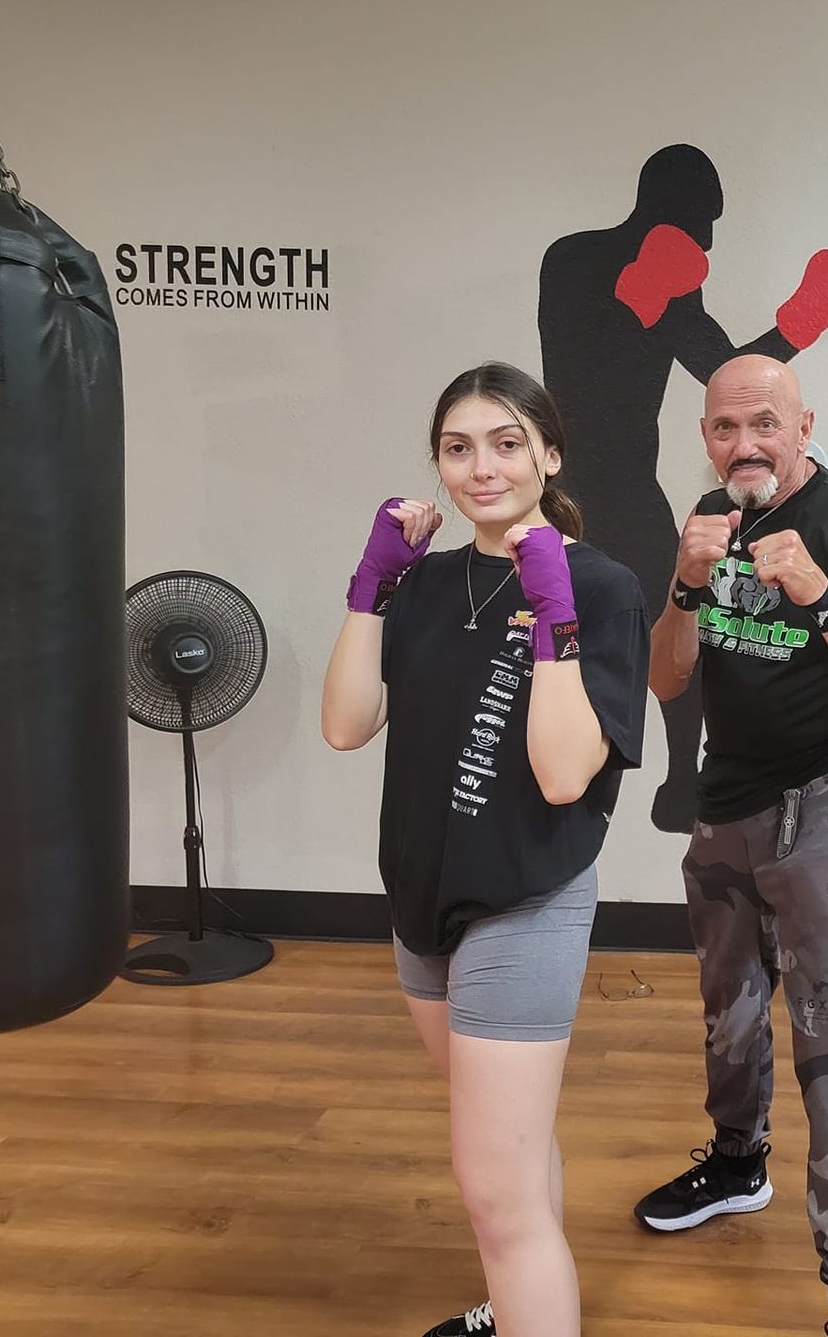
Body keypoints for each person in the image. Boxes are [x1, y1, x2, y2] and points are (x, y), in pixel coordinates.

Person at [320, 362, 649, 1337]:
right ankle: (519, 1307)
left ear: (548, 454)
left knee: (493, 1193)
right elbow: (346, 725)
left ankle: (527, 1301)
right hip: (421, 901)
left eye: (507, 443)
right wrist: (368, 588)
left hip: (523, 899)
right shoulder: (424, 584)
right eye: (457, 448)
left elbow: (562, 775)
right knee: (511, 1158)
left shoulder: (601, 586)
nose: (482, 467)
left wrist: (554, 617)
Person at [634, 354, 828, 1337]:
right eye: (724, 427)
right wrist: (683, 582)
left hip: (824, 811)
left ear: (805, 426)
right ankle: (736, 1164)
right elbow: (667, 681)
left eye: (764, 423)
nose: (744, 444)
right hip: (725, 803)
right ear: (705, 436)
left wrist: (820, 597)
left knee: (827, 1049)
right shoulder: (714, 520)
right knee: (728, 1012)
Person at [539, 143, 828, 833]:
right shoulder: (573, 258)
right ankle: (604, 768)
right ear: (674, 206)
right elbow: (574, 351)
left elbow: (728, 373)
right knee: (569, 629)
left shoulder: (673, 282)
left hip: (623, 486)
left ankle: (681, 780)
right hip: (573, 488)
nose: (709, 239)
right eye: (706, 220)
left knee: (671, 623)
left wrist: (796, 327)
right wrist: (633, 306)